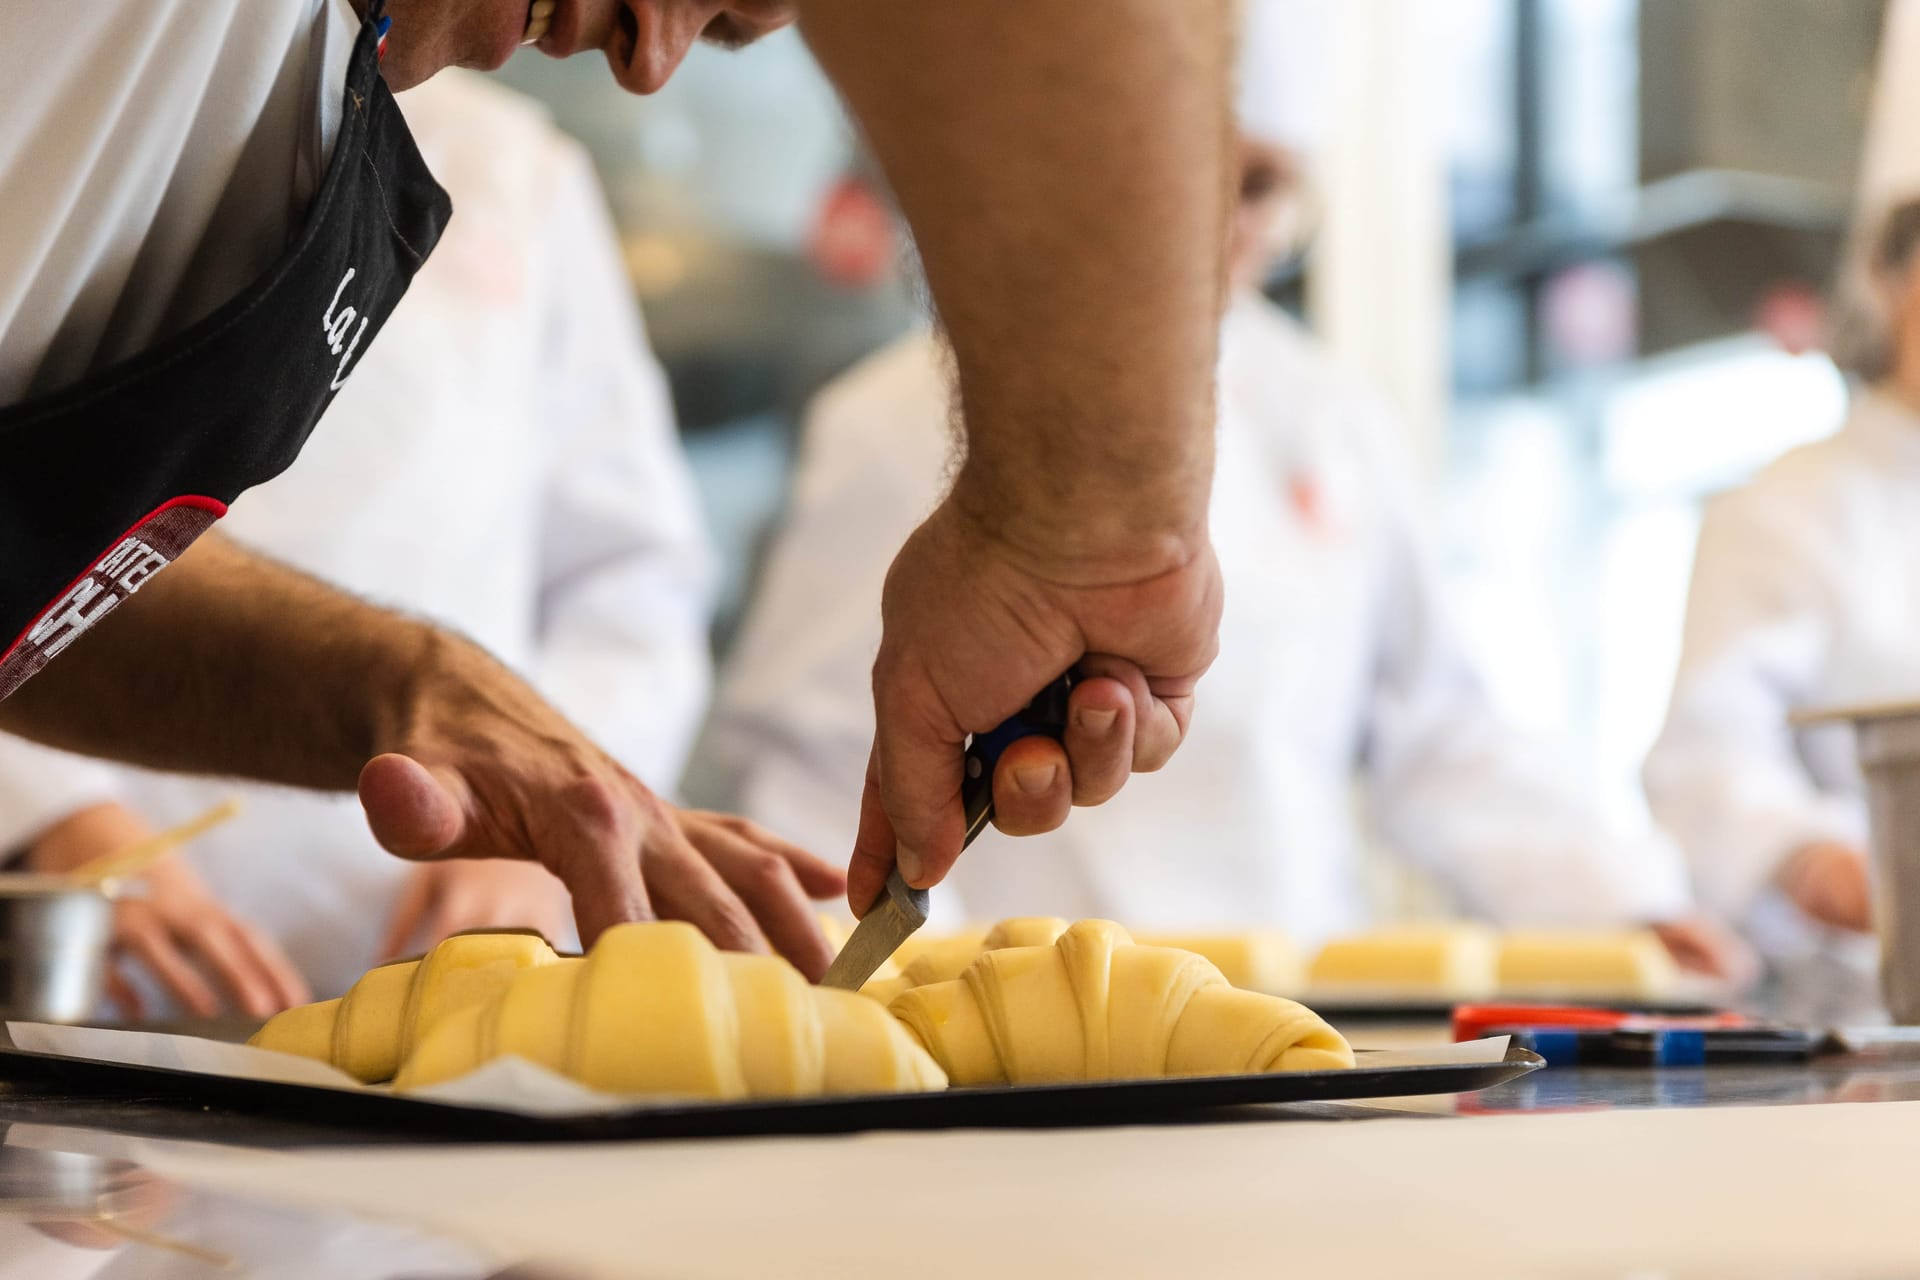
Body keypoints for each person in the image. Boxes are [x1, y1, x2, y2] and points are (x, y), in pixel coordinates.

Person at [0, 1, 1234, 969]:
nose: (650, 62)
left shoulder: (368, 115)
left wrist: (420, 690)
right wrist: (1092, 528)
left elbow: (27, 559)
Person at [699, 36, 1741, 972]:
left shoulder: (1333, 417)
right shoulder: (890, 420)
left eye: (1257, 185)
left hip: (1304, 1015)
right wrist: (915, 1002)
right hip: (1039, 1026)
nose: (1210, 222)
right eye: (1190, 172)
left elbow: (1441, 729)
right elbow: (821, 769)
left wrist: (1622, 902)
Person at [0, 71, 727, 1015]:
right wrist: (55, 811)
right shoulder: (92, 98)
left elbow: (630, 580)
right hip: (90, 942)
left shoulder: (517, 169)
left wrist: (543, 831)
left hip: (442, 963)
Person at [1644, 195, 1920, 946]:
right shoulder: (1790, 506)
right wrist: (1814, 859)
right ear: (1895, 287)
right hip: (1859, 982)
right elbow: (1711, 753)